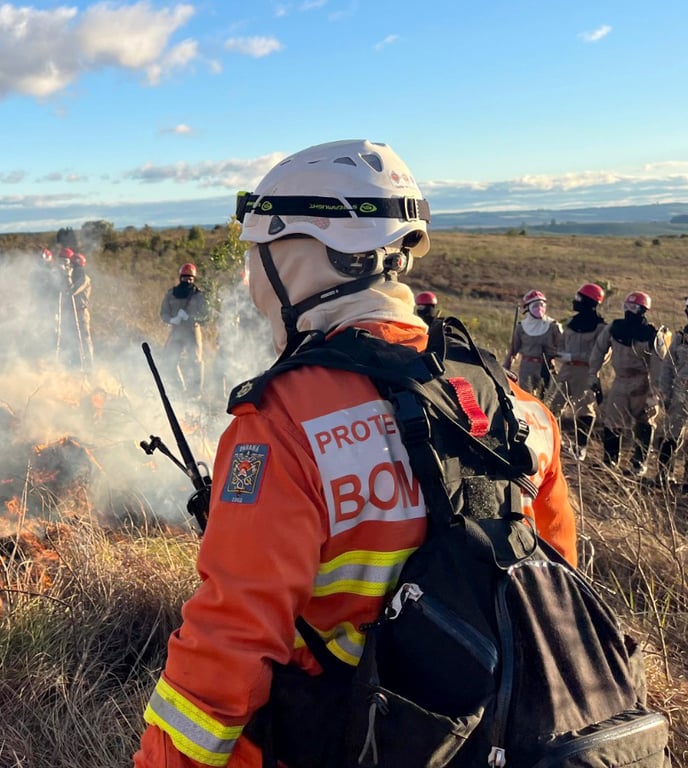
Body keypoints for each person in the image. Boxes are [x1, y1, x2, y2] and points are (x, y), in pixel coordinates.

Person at [133, 139, 576, 768]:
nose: (250, 277)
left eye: (259, 254)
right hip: (499, 740)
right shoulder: (517, 406)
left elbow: (229, 644)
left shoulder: (281, 425)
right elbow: (550, 592)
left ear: (304, 258)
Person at [589, 290, 667, 475]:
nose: (628, 310)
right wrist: (594, 374)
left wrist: (655, 394)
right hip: (620, 382)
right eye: (626, 306)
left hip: (643, 384)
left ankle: (639, 464)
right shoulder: (614, 328)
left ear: (643, 310)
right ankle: (610, 461)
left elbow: (659, 365)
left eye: (633, 307)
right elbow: (599, 350)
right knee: (612, 421)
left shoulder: (652, 335)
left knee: (645, 422)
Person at [546, 283, 610, 461]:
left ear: (590, 302)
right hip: (566, 370)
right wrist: (560, 354)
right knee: (552, 406)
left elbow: (601, 355)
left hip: (585, 372)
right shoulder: (572, 324)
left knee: (584, 410)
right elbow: (561, 343)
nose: (576, 301)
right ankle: (554, 443)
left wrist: (573, 356)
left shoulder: (601, 328)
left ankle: (580, 448)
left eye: (580, 298)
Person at [160, 262, 209, 395]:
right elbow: (164, 312)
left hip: (193, 331)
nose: (187, 280)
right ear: (180, 277)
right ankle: (179, 390)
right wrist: (171, 319)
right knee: (170, 361)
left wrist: (190, 317)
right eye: (185, 277)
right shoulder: (171, 294)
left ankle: (195, 393)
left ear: (194, 279)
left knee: (195, 361)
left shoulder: (199, 296)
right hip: (176, 332)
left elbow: (205, 316)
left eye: (190, 278)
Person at [503, 289, 562, 397]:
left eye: (541, 304)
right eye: (535, 305)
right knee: (526, 397)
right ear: (528, 308)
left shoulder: (553, 326)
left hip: (547, 366)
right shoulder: (521, 328)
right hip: (527, 367)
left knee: (547, 397)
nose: (539, 308)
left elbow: (562, 348)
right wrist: (505, 369)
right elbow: (513, 351)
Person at [656, 298, 688, 485]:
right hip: (680, 391)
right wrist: (665, 392)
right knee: (671, 434)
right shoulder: (681, 337)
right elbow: (668, 366)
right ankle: (664, 475)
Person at [63, 249, 93, 371]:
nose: (73, 268)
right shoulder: (76, 277)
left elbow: (71, 291)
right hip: (71, 312)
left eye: (74, 265)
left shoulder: (84, 279)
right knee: (72, 339)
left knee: (85, 340)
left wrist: (68, 276)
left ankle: (89, 368)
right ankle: (76, 365)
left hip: (81, 313)